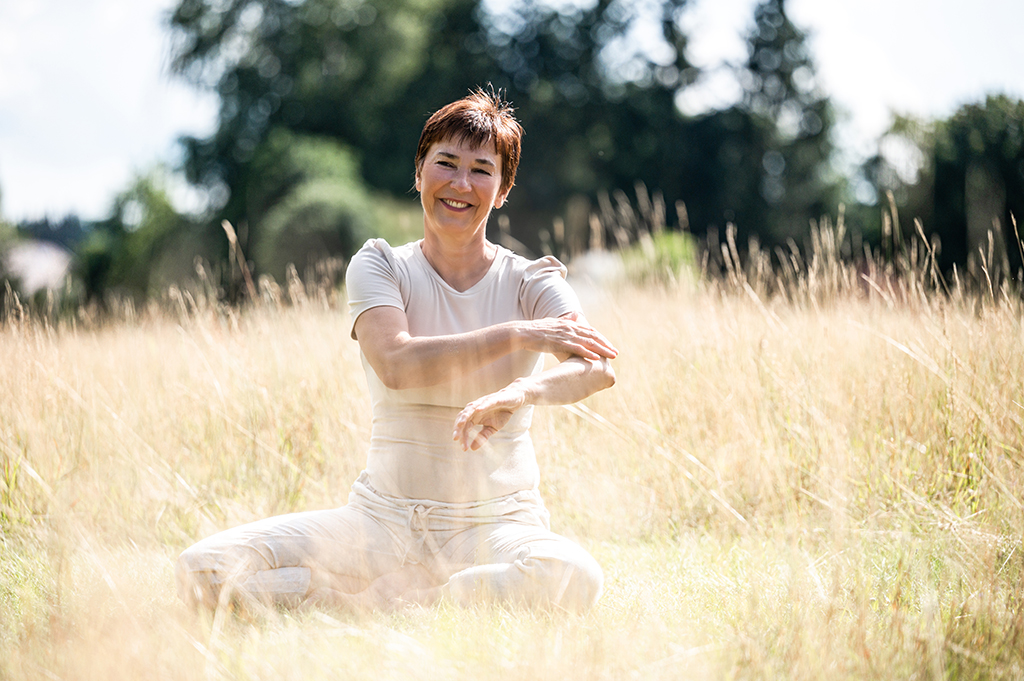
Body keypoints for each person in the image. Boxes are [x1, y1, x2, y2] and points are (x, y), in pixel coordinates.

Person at [175, 88, 618, 614]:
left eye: (481, 170)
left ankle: (393, 605)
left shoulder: (532, 279)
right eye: (446, 163)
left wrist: (521, 391)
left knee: (574, 576)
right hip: (380, 524)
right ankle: (368, 600)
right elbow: (397, 364)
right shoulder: (380, 265)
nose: (460, 183)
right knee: (200, 568)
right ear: (419, 172)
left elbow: (596, 366)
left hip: (495, 526)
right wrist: (518, 334)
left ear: (502, 190)